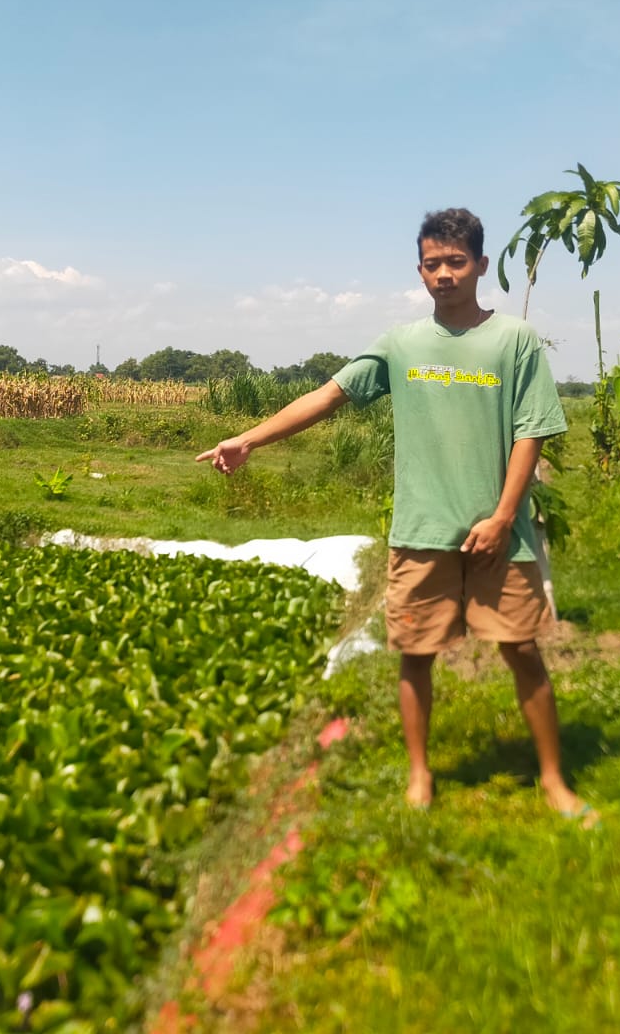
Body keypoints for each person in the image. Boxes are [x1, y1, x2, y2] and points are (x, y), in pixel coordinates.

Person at [196, 207, 594, 822]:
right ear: (419, 270)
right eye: (432, 264)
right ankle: (419, 774)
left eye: (456, 262)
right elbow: (328, 395)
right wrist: (249, 439)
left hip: (499, 533)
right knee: (415, 654)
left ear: (481, 265)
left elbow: (530, 433)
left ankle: (552, 778)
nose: (444, 274)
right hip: (420, 531)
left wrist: (501, 516)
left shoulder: (514, 340)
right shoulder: (400, 344)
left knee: (522, 651)